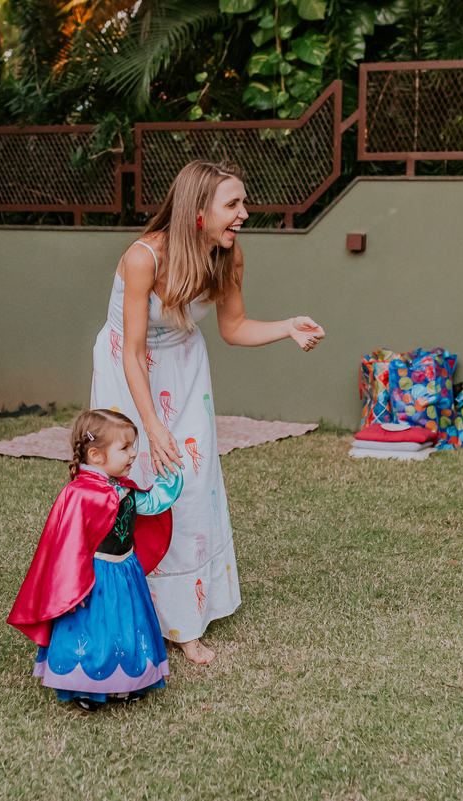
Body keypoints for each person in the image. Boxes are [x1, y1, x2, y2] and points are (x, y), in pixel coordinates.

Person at [90, 160, 325, 665]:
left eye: (243, 202)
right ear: (198, 212)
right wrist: (151, 426)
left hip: (184, 367)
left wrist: (287, 326)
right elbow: (132, 351)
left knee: (191, 483)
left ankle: (185, 621)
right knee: (132, 481)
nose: (244, 213)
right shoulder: (143, 258)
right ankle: (125, 606)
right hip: (128, 371)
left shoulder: (228, 254)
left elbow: (233, 327)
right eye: (232, 204)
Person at [8, 410, 183, 712]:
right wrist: (68, 588)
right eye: (125, 448)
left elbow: (155, 502)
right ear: (96, 455)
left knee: (125, 625)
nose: (133, 454)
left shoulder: (124, 489)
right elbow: (65, 547)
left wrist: (170, 470)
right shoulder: (78, 495)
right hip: (93, 579)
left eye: (133, 446)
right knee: (92, 629)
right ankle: (84, 686)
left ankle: (126, 680)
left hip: (125, 573)